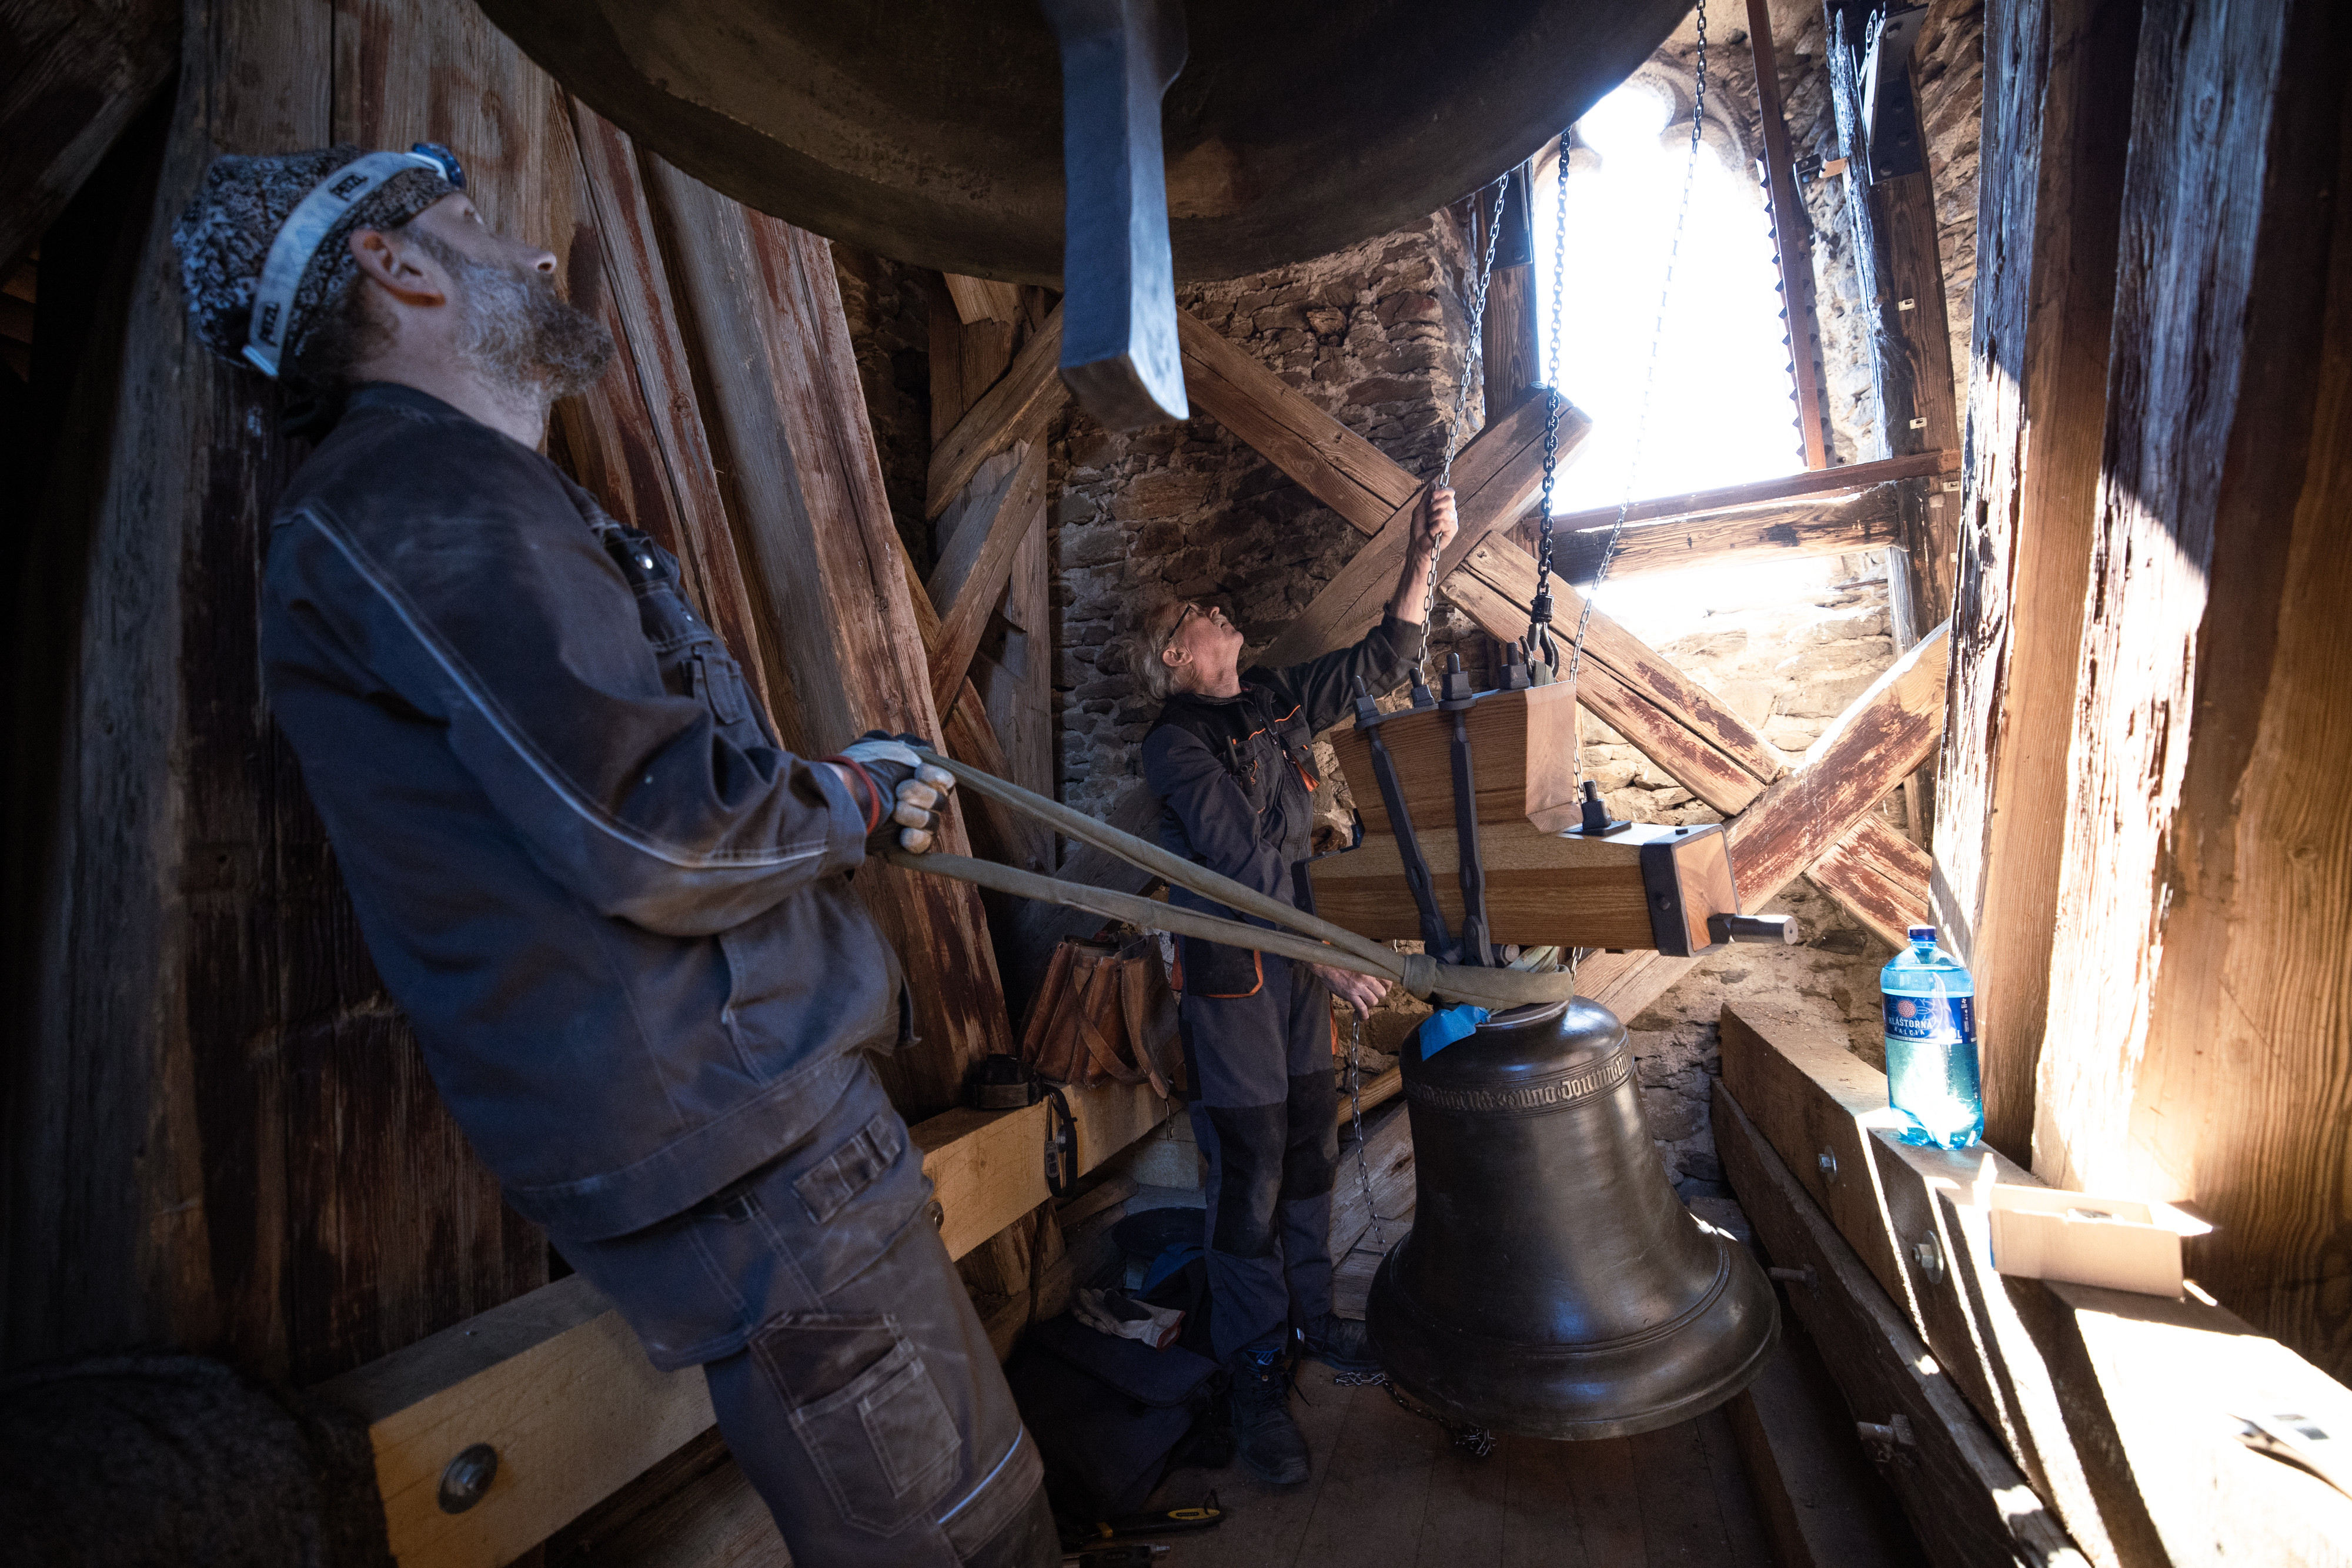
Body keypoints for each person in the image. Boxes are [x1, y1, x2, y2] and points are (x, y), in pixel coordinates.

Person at [171, 142, 1057, 1567]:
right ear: (394, 268)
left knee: (971, 1508)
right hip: (745, 1149)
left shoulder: (443, 496)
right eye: (478, 227)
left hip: (749, 1125)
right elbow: (643, 824)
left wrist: (825, 797)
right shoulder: (416, 499)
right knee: (960, 1542)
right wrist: (838, 799)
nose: (532, 256)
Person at [1134, 484, 1459, 1484]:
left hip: (1296, 971)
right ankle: (1257, 1368)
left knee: (1312, 1150)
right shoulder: (1173, 744)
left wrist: (1421, 559)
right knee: (1251, 1176)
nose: (1219, 613)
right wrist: (1322, 950)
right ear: (1175, 656)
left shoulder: (1272, 698)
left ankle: (1315, 1318)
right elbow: (1237, 863)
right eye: (1199, 616)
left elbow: (1380, 664)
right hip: (1235, 977)